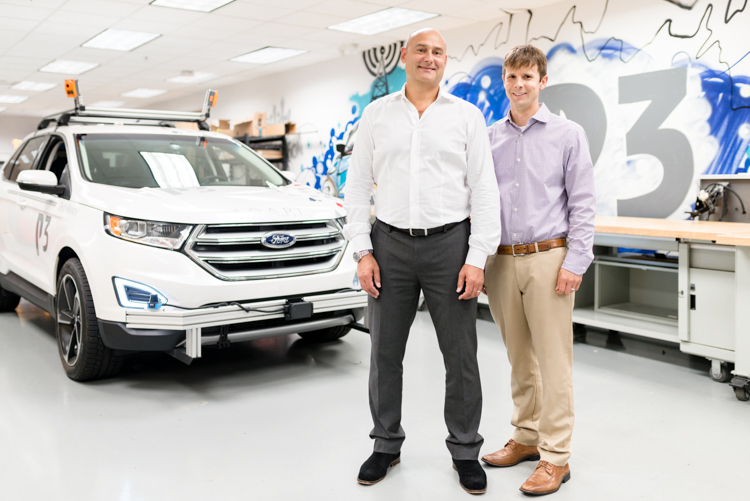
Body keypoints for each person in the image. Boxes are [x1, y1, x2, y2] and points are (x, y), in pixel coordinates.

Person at [343, 28, 501, 495]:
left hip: (450, 246)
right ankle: (386, 444)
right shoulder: (376, 116)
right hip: (387, 245)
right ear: (403, 57)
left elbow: (484, 191)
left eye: (437, 52)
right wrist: (362, 250)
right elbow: (356, 188)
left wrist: (477, 259)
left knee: (461, 356)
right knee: (384, 354)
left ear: (444, 61)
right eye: (421, 51)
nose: (429, 59)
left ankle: (466, 450)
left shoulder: (467, 117)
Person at [480, 44, 595, 496]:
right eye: (511, 76)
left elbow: (583, 203)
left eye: (528, 77)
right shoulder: (489, 137)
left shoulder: (568, 134)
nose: (519, 84)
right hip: (502, 261)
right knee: (519, 359)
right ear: (504, 81)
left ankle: (556, 457)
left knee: (554, 362)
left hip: (549, 258)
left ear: (542, 82)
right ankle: (526, 437)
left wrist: (575, 261)